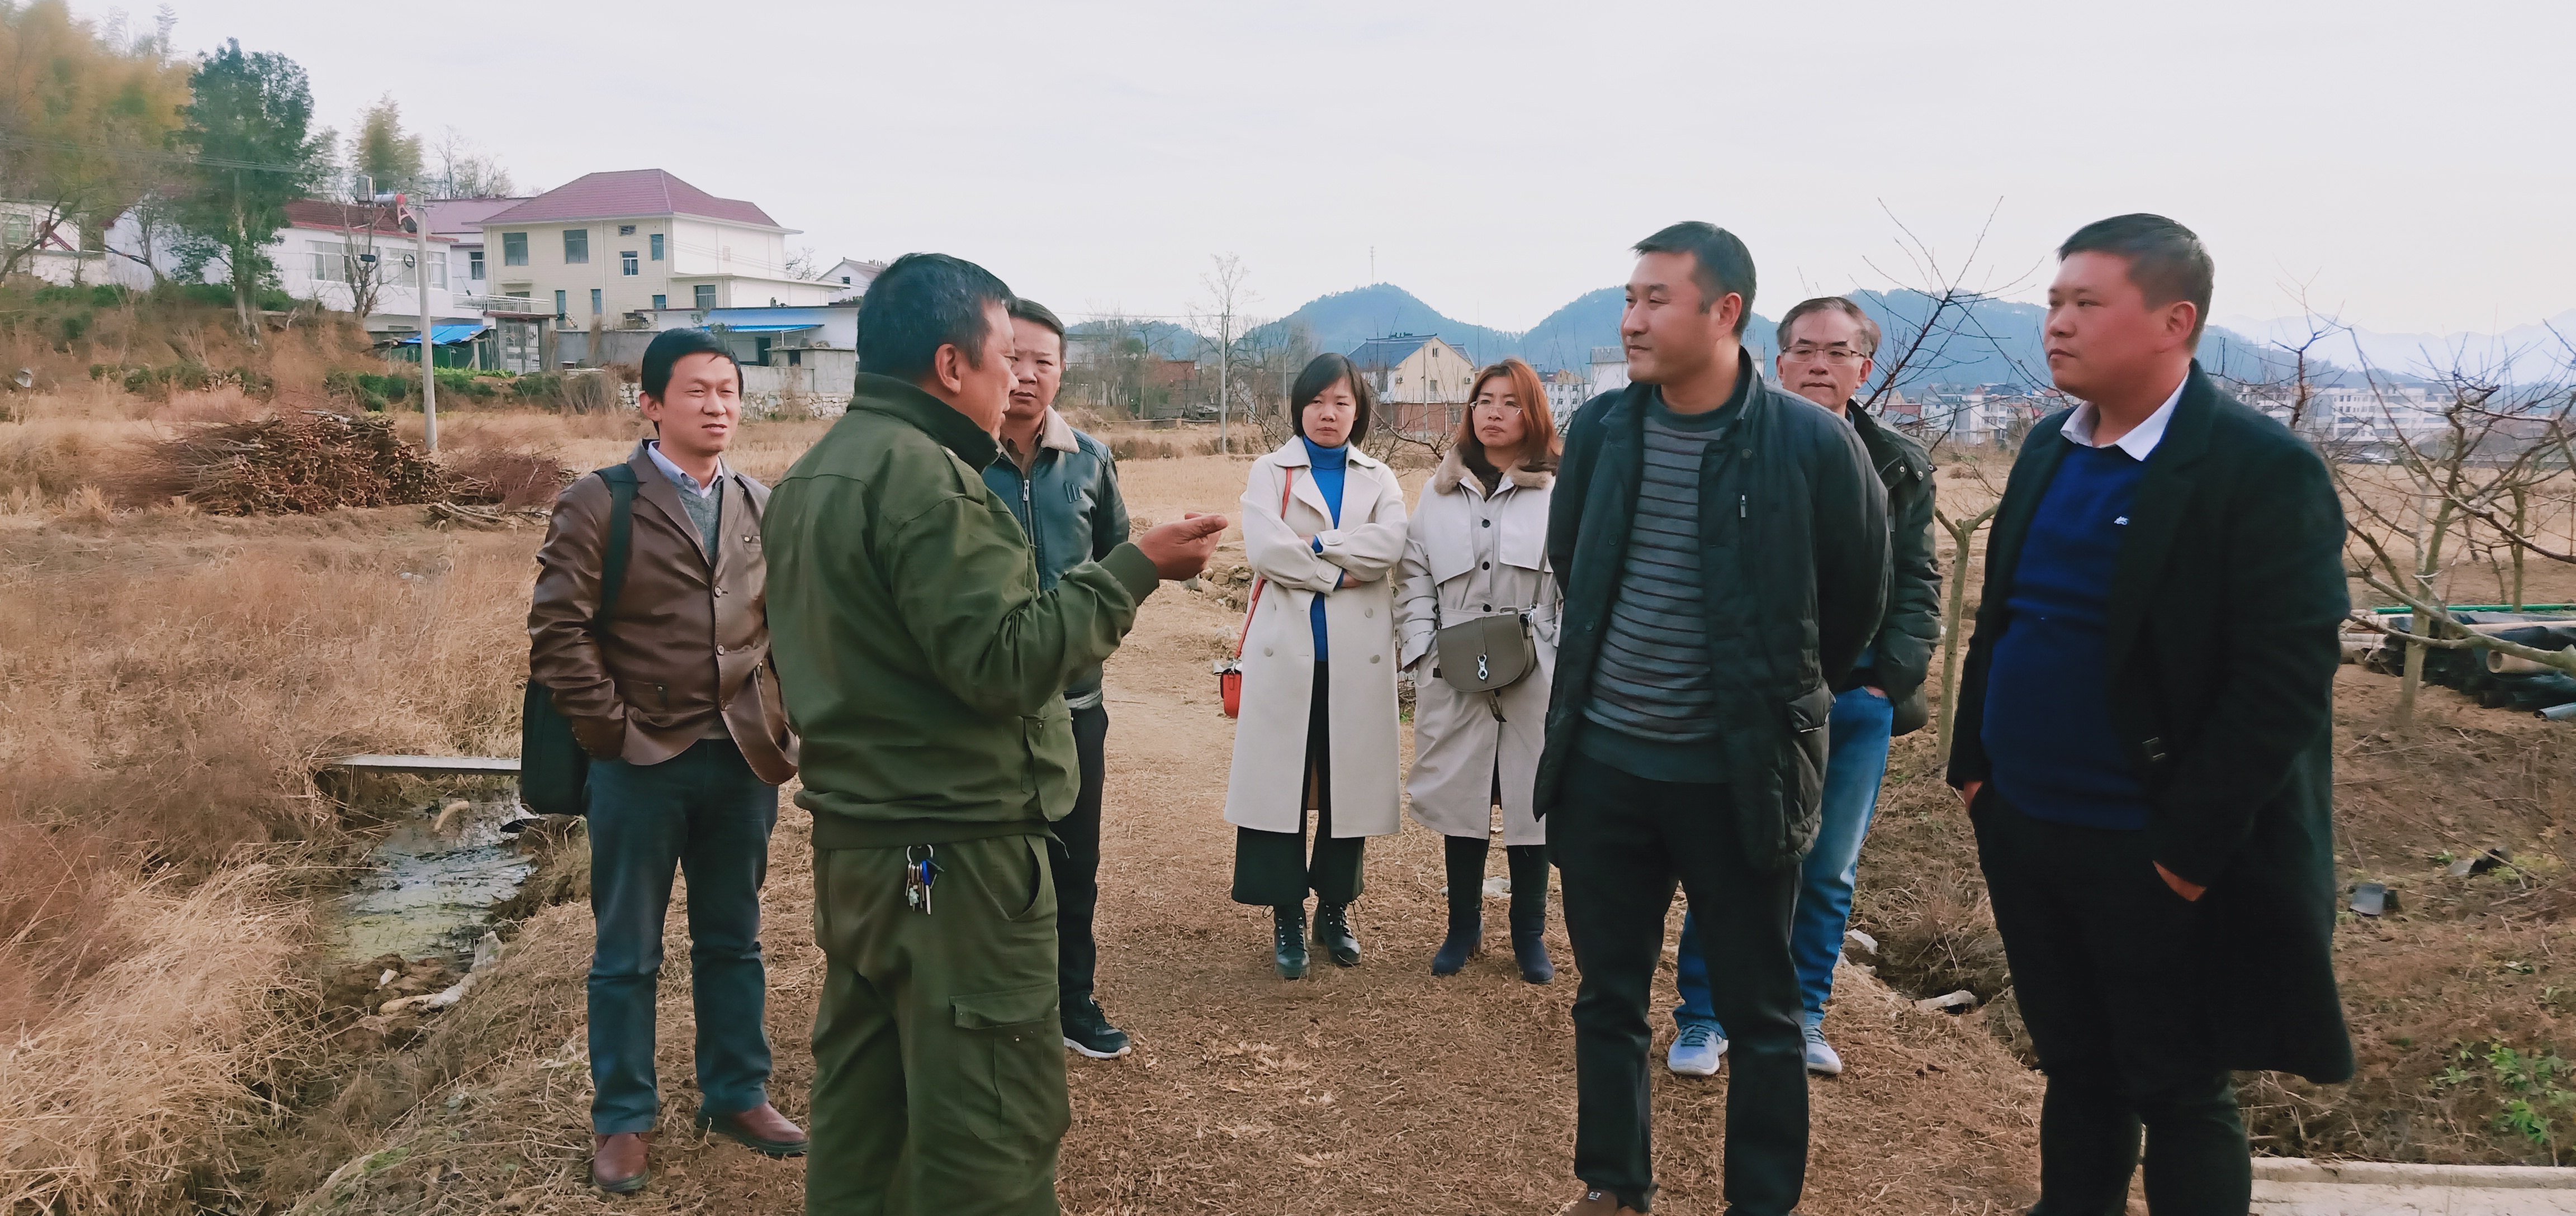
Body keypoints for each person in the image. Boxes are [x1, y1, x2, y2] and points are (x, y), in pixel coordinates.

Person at [764, 253, 1227, 1216]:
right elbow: (1007, 663)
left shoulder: (815, 474)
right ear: (948, 366)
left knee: (866, 1119)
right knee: (991, 1132)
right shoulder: (931, 483)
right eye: (1000, 355)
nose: (1015, 378)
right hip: (957, 860)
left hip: (860, 852)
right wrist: (1130, 568)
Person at [1947, 215, 2354, 1213]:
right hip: (2027, 822)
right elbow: (2003, 618)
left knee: (2174, 1083)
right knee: (2076, 1067)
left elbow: (2283, 682)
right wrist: (1973, 768)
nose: (2057, 324)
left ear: (2175, 320)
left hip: (2151, 846)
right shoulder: (2049, 447)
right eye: (2053, 302)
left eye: (2086, 304)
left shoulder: (2254, 471)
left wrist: (2185, 848)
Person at [1537, 222, 1888, 1216]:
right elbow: (1575, 566)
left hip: (1739, 772)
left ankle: (1759, 1200)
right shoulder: (1605, 430)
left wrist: (1769, 698)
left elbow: (1852, 598)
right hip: (1606, 763)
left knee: (1761, 1011)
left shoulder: (1810, 445)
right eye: (1630, 296)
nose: (1631, 317)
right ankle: (1614, 1181)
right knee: (1607, 996)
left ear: (1723, 312)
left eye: (1654, 298)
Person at [527, 327, 806, 1195]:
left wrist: (784, 721)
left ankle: (736, 1092)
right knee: (626, 953)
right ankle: (623, 1120)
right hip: (638, 762)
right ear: (650, 404)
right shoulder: (598, 501)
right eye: (697, 391)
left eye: (729, 390)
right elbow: (558, 633)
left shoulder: (760, 503)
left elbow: (782, 631)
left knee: (734, 938)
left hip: (741, 760)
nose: (718, 406)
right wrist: (611, 732)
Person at [1666, 296, 1940, 1079]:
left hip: (1856, 702)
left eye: (1838, 352)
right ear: (1776, 360)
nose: (1820, 364)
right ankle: (1704, 1016)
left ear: (1866, 366)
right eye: (1805, 350)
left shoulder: (1897, 464)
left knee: (1827, 868)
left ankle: (1803, 1014)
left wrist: (1892, 679)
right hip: (1749, 697)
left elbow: (1918, 581)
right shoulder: (1732, 449)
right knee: (1732, 856)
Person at [978, 297, 1137, 1061]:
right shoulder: (955, 460)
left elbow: (1118, 564)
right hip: (980, 709)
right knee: (983, 861)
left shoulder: (1091, 461)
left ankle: (1072, 1000)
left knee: (1077, 857)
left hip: (1076, 703)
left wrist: (1090, 644)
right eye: (1015, 357)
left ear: (1063, 371)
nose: (1027, 374)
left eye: (1044, 360)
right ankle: (991, 1003)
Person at [1224, 352, 1408, 980]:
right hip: (1287, 657)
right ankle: (1286, 915)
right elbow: (1267, 551)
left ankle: (1335, 910)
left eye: (1342, 403)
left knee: (1345, 788)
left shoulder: (1380, 476)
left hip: (1356, 660)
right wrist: (1340, 571)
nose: (1329, 414)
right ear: (1299, 407)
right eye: (1317, 402)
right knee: (1278, 789)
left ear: (1359, 411)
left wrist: (1319, 546)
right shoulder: (1269, 470)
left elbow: (1389, 547)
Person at [1395, 356, 1563, 984]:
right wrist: (1423, 650)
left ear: (1533, 414)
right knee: (1461, 796)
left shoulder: (1560, 490)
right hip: (1456, 667)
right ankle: (1461, 928)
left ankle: (1529, 935)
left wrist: (1560, 656)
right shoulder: (1438, 493)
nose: (1494, 412)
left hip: (1537, 670)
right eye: (1484, 400)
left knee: (1530, 801)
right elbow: (1413, 576)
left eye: (1510, 402)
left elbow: (1577, 582)